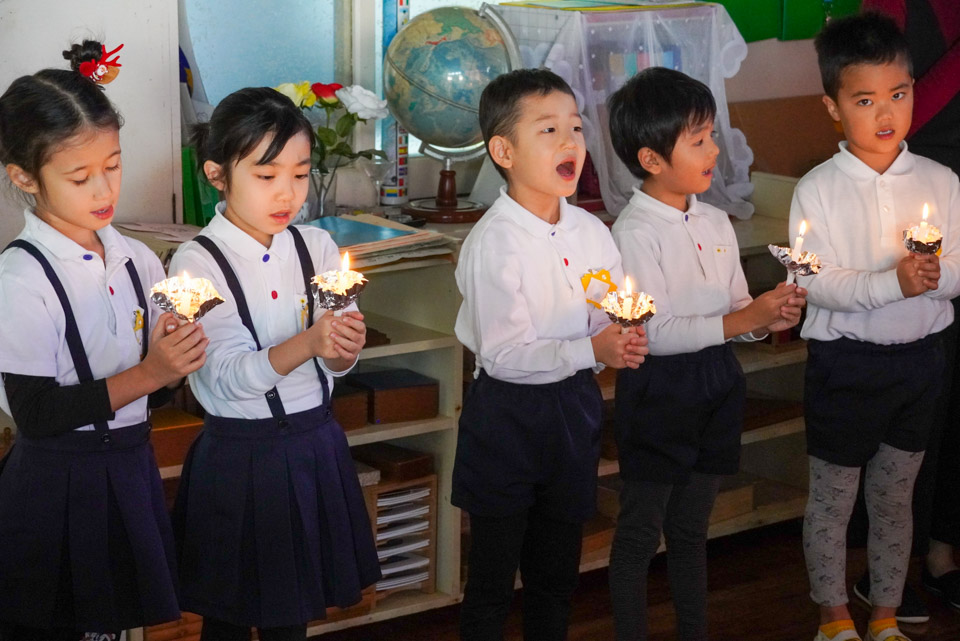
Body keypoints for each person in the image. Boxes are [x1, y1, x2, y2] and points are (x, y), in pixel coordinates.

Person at [0, 40, 208, 640]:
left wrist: (176, 365)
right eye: (79, 175)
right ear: (24, 177)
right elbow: (36, 414)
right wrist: (150, 372)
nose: (103, 189)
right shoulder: (21, 276)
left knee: (114, 627)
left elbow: (153, 396)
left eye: (113, 165)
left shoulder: (140, 260)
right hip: (56, 486)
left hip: (128, 468)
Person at [169, 87, 380, 641]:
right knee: (230, 617)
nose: (287, 193)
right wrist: (311, 343)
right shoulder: (195, 261)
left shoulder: (318, 248)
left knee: (293, 616)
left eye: (301, 173)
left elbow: (336, 366)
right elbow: (227, 377)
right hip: (241, 455)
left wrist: (342, 348)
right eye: (266, 176)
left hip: (314, 443)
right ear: (217, 174)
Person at [605, 66, 806, 641]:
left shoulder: (715, 219)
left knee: (693, 529)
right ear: (651, 159)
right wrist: (743, 319)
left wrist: (767, 316)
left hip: (717, 383)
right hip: (660, 390)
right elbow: (655, 332)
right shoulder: (635, 231)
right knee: (642, 532)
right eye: (698, 140)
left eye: (712, 134)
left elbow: (735, 311)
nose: (714, 149)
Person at [452, 68, 648, 641]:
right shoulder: (495, 242)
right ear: (503, 150)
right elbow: (507, 353)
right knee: (492, 580)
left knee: (557, 573)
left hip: (572, 410)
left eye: (576, 127)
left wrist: (624, 331)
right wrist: (592, 347)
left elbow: (609, 308)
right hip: (507, 416)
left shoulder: (591, 231)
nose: (570, 143)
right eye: (548, 130)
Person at [792, 13, 960, 641]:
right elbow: (816, 280)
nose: (886, 113)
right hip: (846, 366)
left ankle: (885, 612)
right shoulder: (817, 190)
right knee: (834, 499)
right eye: (865, 100)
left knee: (895, 499)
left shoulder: (942, 182)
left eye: (899, 94)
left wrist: (933, 276)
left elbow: (957, 269)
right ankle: (832, 614)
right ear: (833, 107)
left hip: (919, 363)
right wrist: (893, 281)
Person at [850, 0, 960, 619]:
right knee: (921, 400)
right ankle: (890, 566)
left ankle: (943, 555)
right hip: (925, 174)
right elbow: (892, 103)